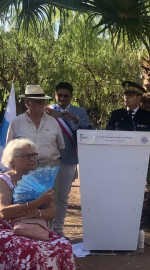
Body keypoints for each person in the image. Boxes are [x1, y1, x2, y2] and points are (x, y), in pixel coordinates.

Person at [0, 139, 75, 269]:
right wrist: (37, 203)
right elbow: (4, 212)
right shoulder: (4, 181)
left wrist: (37, 212)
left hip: (33, 225)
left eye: (34, 155)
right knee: (29, 248)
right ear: (12, 160)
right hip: (7, 228)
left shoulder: (39, 181)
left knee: (63, 245)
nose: (32, 158)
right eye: (27, 155)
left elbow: (52, 213)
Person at [46, 81, 93, 236]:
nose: (62, 98)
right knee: (48, 196)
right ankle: (47, 229)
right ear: (55, 95)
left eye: (66, 96)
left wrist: (75, 119)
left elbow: (89, 131)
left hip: (69, 159)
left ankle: (58, 230)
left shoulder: (79, 112)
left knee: (63, 196)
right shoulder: (47, 111)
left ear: (71, 97)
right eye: (59, 95)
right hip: (49, 159)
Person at [6, 85, 65, 169]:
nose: (42, 104)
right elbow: (9, 149)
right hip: (25, 169)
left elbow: (61, 146)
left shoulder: (53, 122)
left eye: (43, 101)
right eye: (38, 101)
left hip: (50, 168)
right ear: (27, 103)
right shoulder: (16, 123)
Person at [105, 81, 150, 146]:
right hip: (118, 152)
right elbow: (107, 134)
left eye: (130, 95)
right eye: (125, 95)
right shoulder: (117, 114)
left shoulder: (148, 116)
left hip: (140, 152)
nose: (126, 97)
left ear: (138, 98)